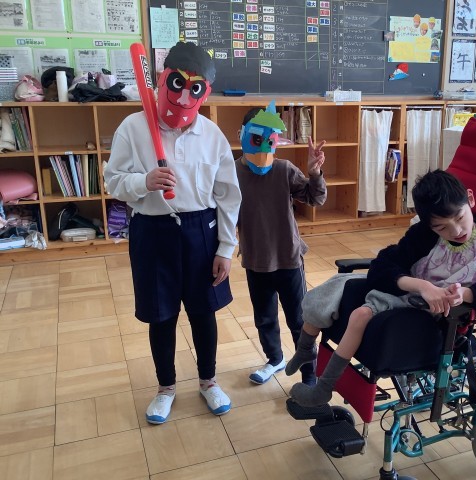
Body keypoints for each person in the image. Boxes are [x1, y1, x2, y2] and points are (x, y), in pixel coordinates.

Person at [287, 170, 476, 407]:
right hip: (411, 292)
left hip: (439, 316)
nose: (456, 231)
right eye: (441, 228)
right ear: (429, 225)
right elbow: (385, 264)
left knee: (360, 314)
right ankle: (308, 353)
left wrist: (468, 294)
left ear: (470, 198)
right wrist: (422, 286)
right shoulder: (424, 234)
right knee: (336, 289)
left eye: (460, 218)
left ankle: (323, 388)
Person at [104, 41, 242, 424]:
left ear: (204, 93)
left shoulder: (212, 135)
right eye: (178, 84)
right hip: (152, 232)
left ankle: (208, 380)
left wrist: (226, 248)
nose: (183, 97)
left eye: (194, 89)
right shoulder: (133, 128)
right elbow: (113, 181)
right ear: (163, 79)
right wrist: (143, 181)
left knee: (203, 312)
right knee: (160, 315)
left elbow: (228, 196)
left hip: (202, 232)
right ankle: (165, 387)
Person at [235, 102, 327, 386]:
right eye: (257, 139)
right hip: (255, 261)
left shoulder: (284, 169)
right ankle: (274, 359)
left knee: (299, 320)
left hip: (288, 259)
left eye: (271, 141)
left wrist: (314, 173)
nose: (264, 148)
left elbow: (315, 198)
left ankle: (310, 374)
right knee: (264, 318)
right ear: (243, 135)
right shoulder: (232, 172)